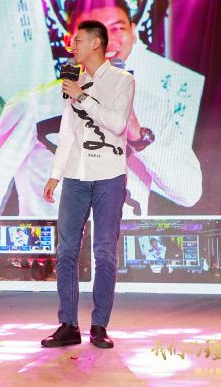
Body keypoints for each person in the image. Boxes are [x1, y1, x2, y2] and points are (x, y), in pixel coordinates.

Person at [0, 0, 203, 218]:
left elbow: (189, 193)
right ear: (71, 42)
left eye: (117, 28)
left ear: (133, 34)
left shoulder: (154, 108)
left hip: (123, 246)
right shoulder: (33, 106)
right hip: (52, 246)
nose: (106, 41)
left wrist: (137, 136)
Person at [41, 20, 134, 349]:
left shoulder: (122, 80)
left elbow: (118, 124)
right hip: (75, 176)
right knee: (66, 250)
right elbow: (67, 133)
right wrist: (55, 174)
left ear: (96, 43)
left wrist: (82, 97)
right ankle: (68, 324)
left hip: (109, 175)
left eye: (78, 40)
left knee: (104, 252)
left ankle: (99, 326)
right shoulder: (73, 81)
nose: (73, 46)